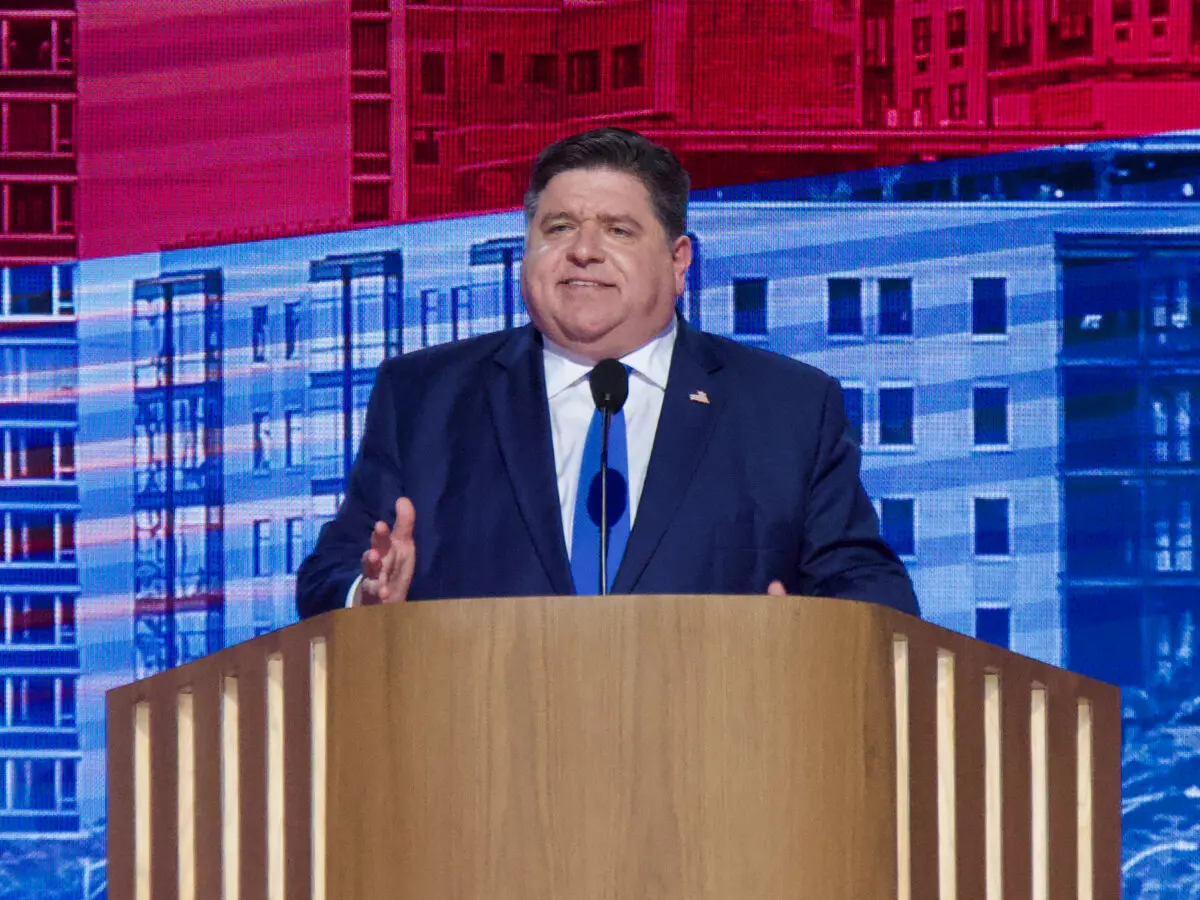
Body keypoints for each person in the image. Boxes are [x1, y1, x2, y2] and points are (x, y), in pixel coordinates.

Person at [296, 127, 918, 618]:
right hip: (481, 755)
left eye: (617, 230)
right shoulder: (426, 396)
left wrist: (812, 633)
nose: (583, 249)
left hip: (718, 754)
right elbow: (331, 574)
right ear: (528, 249)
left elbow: (872, 587)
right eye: (558, 227)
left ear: (679, 263)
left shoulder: (787, 407)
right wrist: (369, 599)